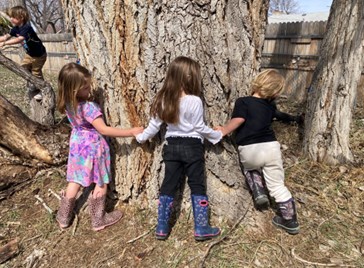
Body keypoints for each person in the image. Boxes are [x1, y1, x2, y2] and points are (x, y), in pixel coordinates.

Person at [136, 56, 222, 241]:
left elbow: (153, 127)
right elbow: (199, 127)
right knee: (197, 184)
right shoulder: (195, 101)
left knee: (169, 184)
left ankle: (161, 227)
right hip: (192, 147)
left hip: (172, 146)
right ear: (190, 78)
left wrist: (141, 137)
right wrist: (217, 135)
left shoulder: (164, 99)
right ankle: (201, 227)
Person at [55, 62, 143, 231]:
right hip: (94, 147)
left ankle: (63, 217)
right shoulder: (89, 108)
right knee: (100, 180)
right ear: (74, 90)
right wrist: (132, 131)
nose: (90, 90)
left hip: (77, 146)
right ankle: (98, 219)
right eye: (86, 88)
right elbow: (104, 129)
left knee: (75, 179)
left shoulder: (67, 104)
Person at [216, 69, 300, 235]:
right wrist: (294, 119)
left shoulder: (243, 102)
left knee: (250, 168)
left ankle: (259, 190)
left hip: (249, 149)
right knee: (277, 185)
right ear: (275, 92)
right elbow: (280, 116)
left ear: (258, 82)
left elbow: (238, 119)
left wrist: (223, 131)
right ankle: (290, 220)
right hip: (271, 147)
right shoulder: (270, 107)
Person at [0, 6, 47, 100]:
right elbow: (6, 37)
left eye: (13, 17)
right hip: (29, 54)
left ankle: (42, 91)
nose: (11, 19)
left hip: (39, 55)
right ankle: (32, 83)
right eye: (11, 17)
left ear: (21, 18)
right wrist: (2, 40)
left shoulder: (27, 28)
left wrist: (4, 43)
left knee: (36, 72)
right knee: (24, 67)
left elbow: (20, 39)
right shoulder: (15, 29)